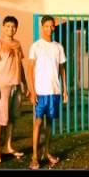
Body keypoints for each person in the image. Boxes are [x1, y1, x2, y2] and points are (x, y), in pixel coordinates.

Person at [28, 15, 68, 169]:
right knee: (38, 122)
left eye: (52, 26)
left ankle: (47, 152)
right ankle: (34, 157)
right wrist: (32, 91)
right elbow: (30, 69)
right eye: (47, 26)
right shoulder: (36, 46)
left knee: (49, 123)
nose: (50, 29)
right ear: (42, 26)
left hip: (54, 91)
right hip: (40, 91)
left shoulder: (58, 47)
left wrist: (64, 89)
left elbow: (62, 69)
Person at [0, 15, 29, 164]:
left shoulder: (18, 44)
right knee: (0, 118)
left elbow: (21, 66)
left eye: (13, 27)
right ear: (3, 27)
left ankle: (8, 146)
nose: (10, 29)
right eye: (7, 26)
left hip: (16, 85)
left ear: (16, 28)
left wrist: (24, 84)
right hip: (2, 86)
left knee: (12, 118)